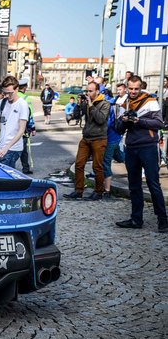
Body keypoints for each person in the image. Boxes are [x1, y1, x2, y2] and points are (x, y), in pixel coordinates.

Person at [113, 75, 167, 233]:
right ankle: (136, 219)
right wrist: (123, 120)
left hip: (148, 147)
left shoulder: (150, 101)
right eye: (131, 89)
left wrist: (139, 121)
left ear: (141, 87)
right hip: (131, 147)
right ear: (127, 87)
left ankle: (163, 220)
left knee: (153, 184)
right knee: (134, 185)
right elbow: (118, 129)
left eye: (136, 88)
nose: (134, 91)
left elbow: (159, 123)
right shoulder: (125, 103)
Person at [63, 81, 110, 201]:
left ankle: (98, 191)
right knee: (79, 164)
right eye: (87, 91)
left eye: (90, 91)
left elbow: (100, 119)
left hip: (99, 138)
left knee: (97, 166)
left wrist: (91, 105)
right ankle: (78, 190)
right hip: (86, 138)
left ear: (97, 91)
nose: (88, 93)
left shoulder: (105, 104)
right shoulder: (86, 103)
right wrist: (79, 105)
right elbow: (76, 116)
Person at [102, 84, 127, 199]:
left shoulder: (107, 106)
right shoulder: (111, 103)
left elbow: (106, 124)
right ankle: (136, 163)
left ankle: (107, 191)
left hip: (111, 139)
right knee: (121, 157)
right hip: (115, 137)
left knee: (106, 162)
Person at [17, 78, 36, 174]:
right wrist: (32, 128)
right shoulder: (26, 98)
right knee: (23, 149)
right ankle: (25, 168)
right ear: (24, 87)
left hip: (13, 128)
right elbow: (30, 115)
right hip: (23, 128)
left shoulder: (14, 96)